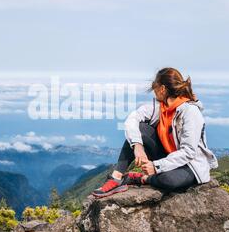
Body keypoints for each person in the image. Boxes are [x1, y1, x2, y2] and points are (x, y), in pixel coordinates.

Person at [93, 67, 218, 198]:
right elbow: (132, 119)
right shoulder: (159, 108)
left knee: (169, 181)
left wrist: (156, 166)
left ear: (162, 89)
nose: (154, 93)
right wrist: (138, 146)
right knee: (141, 128)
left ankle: (140, 179)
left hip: (190, 164)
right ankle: (116, 177)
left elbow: (188, 152)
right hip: (167, 156)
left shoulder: (190, 112)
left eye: (155, 89)